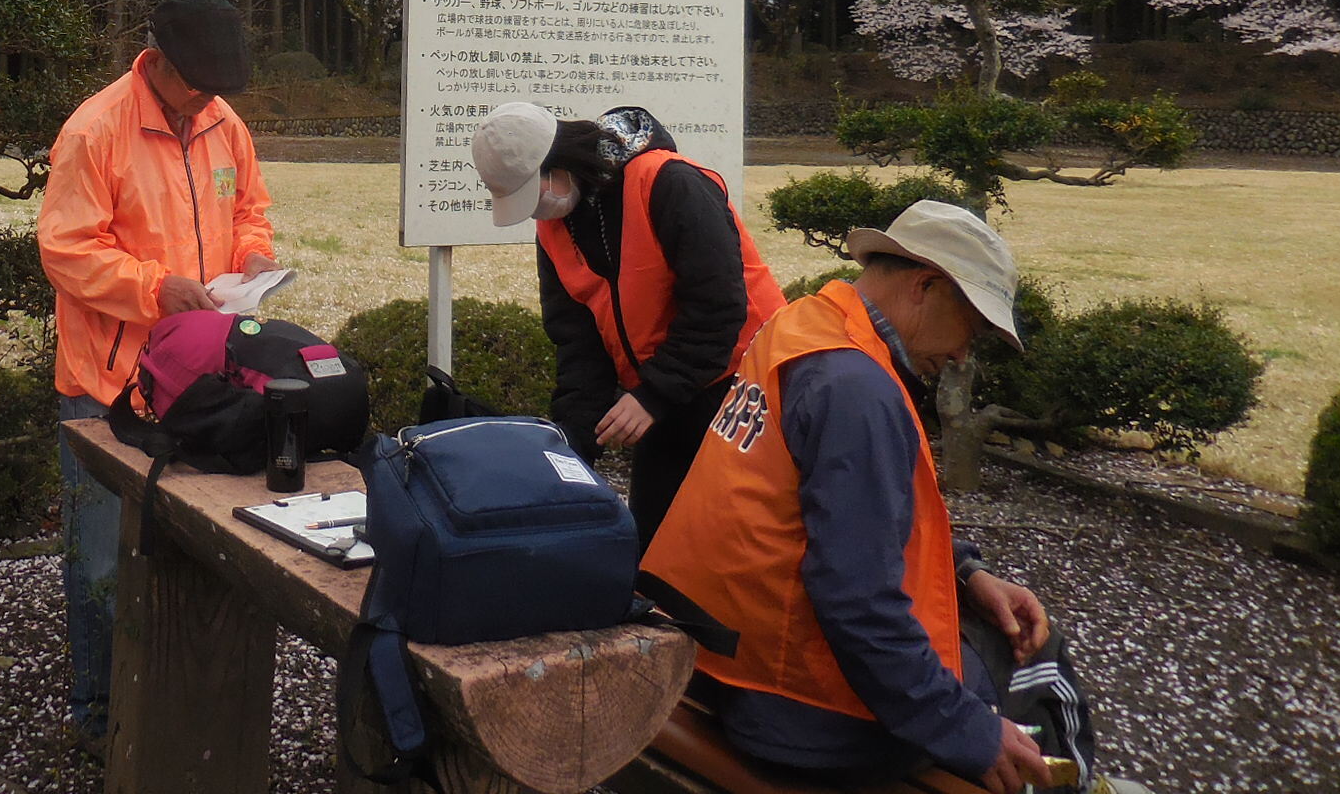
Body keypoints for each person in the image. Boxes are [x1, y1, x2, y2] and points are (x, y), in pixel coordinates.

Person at [641, 201, 1137, 794]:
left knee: (974, 624)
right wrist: (968, 732)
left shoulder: (799, 327)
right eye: (971, 330)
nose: (961, 355)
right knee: (1035, 656)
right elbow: (858, 603)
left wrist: (968, 572)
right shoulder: (857, 389)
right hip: (804, 716)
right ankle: (1078, 784)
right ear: (926, 285)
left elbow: (821, 513)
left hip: (717, 665)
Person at [36, 0, 278, 753]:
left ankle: (176, 700)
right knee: (103, 556)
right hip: (108, 384)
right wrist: (153, 289)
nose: (207, 100)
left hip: (201, 376)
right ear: (160, 62)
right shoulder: (95, 129)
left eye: (218, 89)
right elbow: (67, 250)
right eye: (197, 84)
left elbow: (249, 211)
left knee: (194, 546)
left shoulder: (222, 122)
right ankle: (98, 714)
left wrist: (256, 261)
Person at [470, 101, 786, 539]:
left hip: (743, 386)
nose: (537, 212)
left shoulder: (669, 182)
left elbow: (718, 306)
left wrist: (653, 395)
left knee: (730, 548)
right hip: (664, 394)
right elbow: (577, 341)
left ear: (557, 164)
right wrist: (571, 444)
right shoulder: (556, 225)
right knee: (653, 546)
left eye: (533, 194)